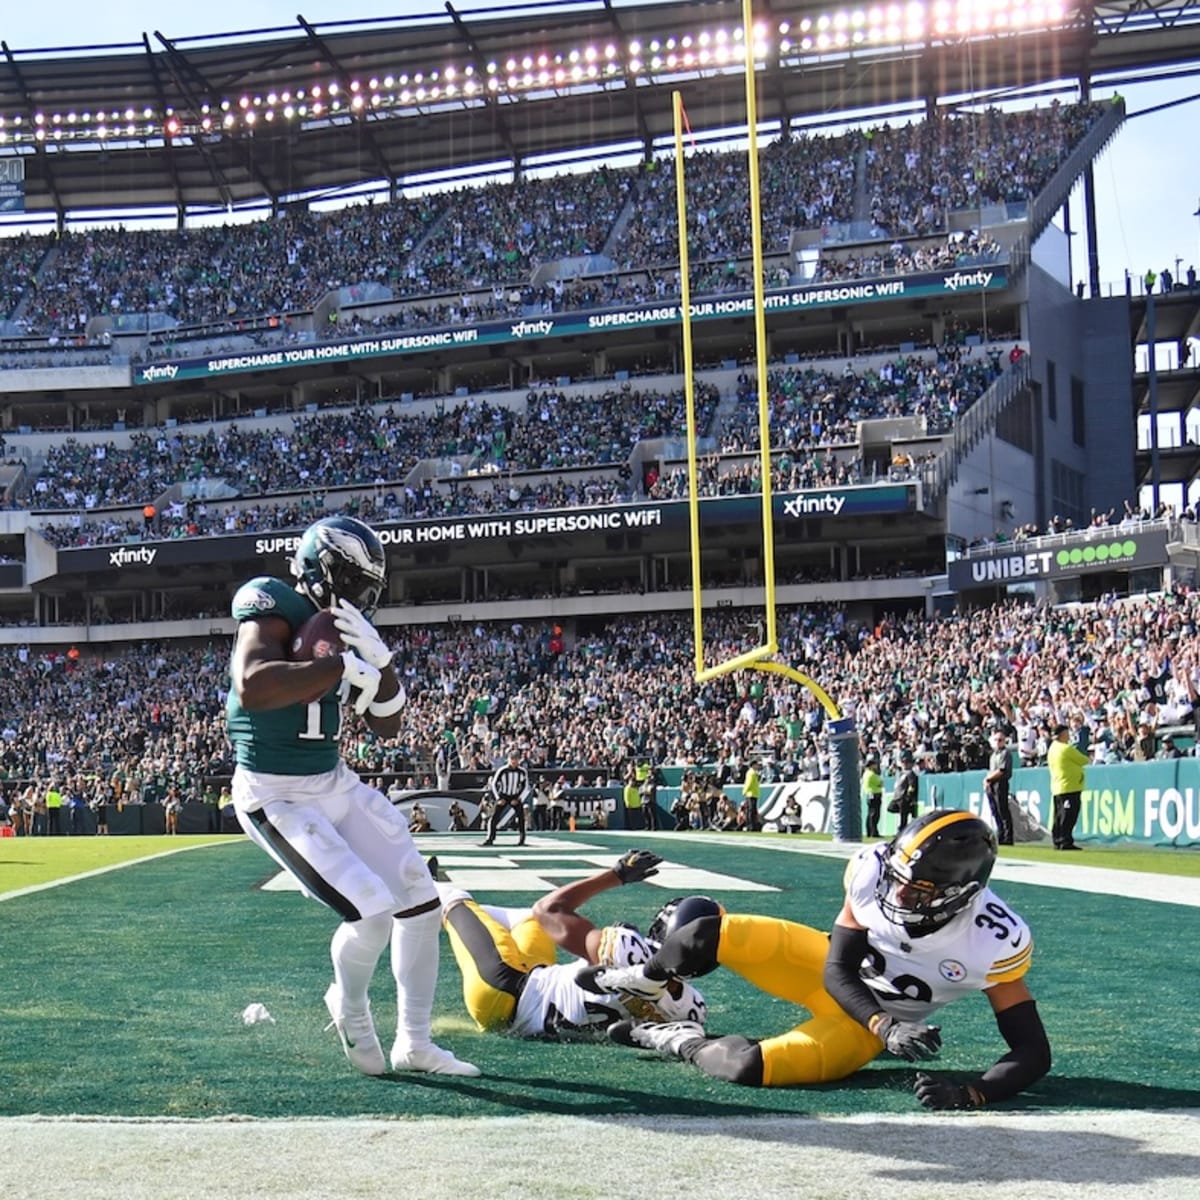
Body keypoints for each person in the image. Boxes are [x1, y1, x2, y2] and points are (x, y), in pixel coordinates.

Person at [226, 514, 478, 1078]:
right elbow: (254, 684)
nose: (364, 599)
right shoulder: (270, 604)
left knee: (420, 899)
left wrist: (383, 668)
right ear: (325, 570)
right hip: (276, 793)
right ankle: (350, 1006)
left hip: (334, 782)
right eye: (358, 584)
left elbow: (388, 725)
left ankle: (414, 1042)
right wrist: (337, 663)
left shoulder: (345, 629)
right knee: (370, 911)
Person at [597, 810, 1051, 1110]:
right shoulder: (872, 869)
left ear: (961, 893)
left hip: (861, 1028)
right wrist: (886, 1027)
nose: (896, 893)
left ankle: (676, 1038)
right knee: (701, 934)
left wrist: (973, 1093)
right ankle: (645, 979)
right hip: (840, 978)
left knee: (747, 1067)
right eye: (896, 878)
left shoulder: (993, 939)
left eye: (916, 890)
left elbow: (1032, 1050)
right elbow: (837, 969)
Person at [437, 849, 706, 1039]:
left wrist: (616, 875)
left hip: (501, 985)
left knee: (454, 899)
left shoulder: (628, 949)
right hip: (534, 986)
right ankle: (468, 916)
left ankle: (422, 888)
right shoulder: (691, 1009)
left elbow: (549, 909)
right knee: (526, 920)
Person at [1047, 723, 1088, 851]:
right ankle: (1065, 840)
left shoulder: (1052, 748)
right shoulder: (1065, 748)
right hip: (1069, 786)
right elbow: (1083, 760)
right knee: (1068, 815)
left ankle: (1058, 839)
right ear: (1063, 734)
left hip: (1058, 786)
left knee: (1059, 815)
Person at [481, 753, 529, 846]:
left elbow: (525, 786)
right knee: (494, 817)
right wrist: (498, 798)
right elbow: (494, 784)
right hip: (503, 795)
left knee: (521, 818)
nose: (514, 761)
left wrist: (519, 798)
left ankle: (522, 839)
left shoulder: (522, 771)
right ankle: (490, 838)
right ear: (509, 759)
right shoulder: (502, 770)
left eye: (516, 759)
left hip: (515, 796)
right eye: (512, 759)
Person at [984, 732, 1014, 845]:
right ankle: (1000, 835)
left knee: (1003, 810)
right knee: (995, 811)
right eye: (996, 740)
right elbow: (991, 770)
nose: (998, 742)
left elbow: (1002, 770)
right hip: (992, 783)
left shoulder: (1005, 753)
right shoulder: (993, 755)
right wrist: (987, 780)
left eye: (1000, 740)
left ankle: (1008, 837)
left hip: (1000, 783)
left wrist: (989, 778)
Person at [890, 750, 919, 828]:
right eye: (903, 762)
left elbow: (912, 786)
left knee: (903, 816)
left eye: (907, 762)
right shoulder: (901, 772)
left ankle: (902, 829)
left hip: (903, 798)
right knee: (892, 809)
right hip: (898, 797)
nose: (904, 764)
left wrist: (908, 797)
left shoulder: (910, 773)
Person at [861, 756, 883, 838]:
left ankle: (869, 831)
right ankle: (874, 832)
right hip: (875, 794)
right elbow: (880, 783)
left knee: (870, 814)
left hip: (869, 795)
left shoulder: (865, 774)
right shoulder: (872, 774)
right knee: (875, 814)